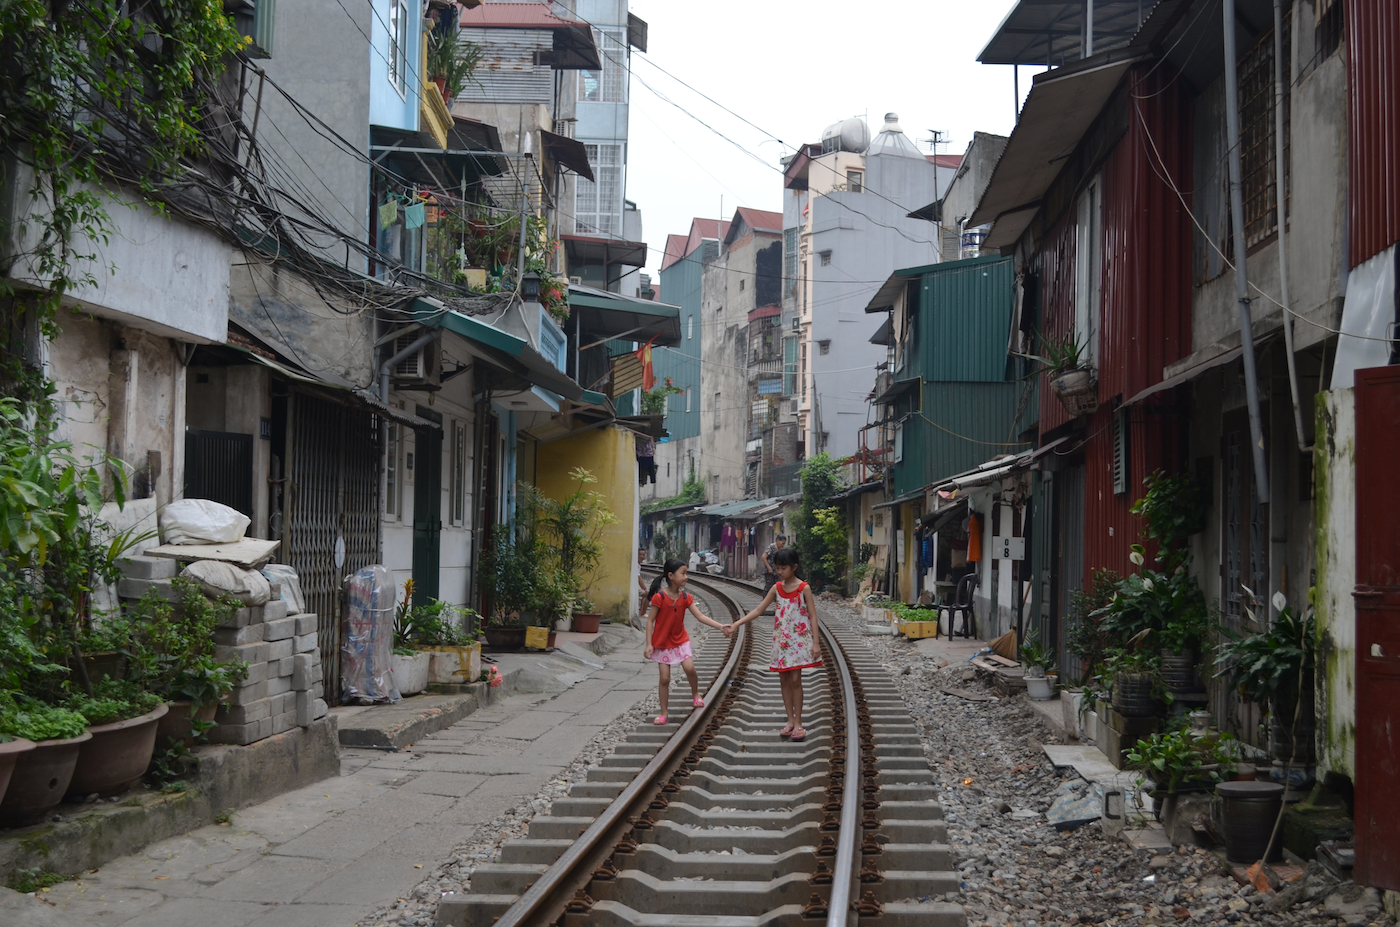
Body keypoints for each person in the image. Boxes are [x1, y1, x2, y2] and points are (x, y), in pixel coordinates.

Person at [731, 546, 822, 741]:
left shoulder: (803, 588)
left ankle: (799, 723)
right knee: (783, 681)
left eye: (783, 568)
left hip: (798, 641)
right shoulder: (777, 588)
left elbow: (813, 616)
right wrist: (736, 624)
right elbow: (758, 611)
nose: (779, 572)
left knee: (796, 681)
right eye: (777, 568)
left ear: (794, 567)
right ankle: (790, 720)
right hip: (782, 642)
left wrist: (816, 643)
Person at [644, 558, 729, 725]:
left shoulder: (685, 597)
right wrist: (648, 644)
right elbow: (650, 621)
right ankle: (664, 713)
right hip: (662, 644)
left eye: (686, 573)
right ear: (671, 576)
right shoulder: (659, 598)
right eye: (683, 573)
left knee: (690, 668)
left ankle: (696, 693)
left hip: (680, 640)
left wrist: (720, 626)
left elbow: (700, 616)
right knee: (664, 679)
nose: (686, 577)